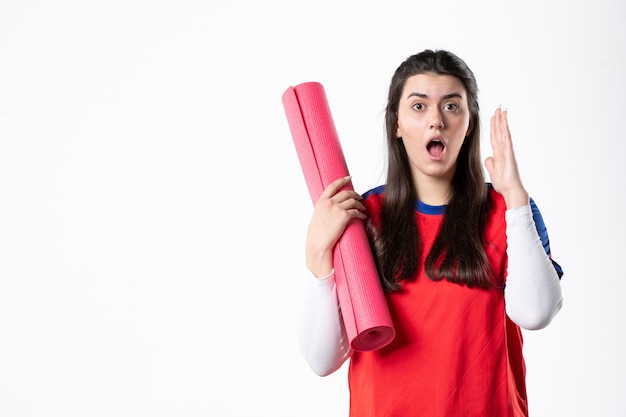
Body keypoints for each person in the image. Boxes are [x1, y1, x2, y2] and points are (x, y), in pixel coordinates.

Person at [298, 49, 564, 417]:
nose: (436, 121)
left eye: (452, 107)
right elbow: (322, 359)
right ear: (396, 123)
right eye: (419, 106)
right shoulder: (361, 218)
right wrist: (317, 258)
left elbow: (536, 314)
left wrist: (515, 198)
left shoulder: (510, 211)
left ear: (469, 123)